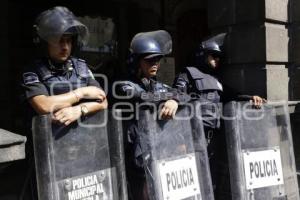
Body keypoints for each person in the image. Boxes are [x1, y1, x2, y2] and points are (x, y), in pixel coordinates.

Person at [20, 6, 107, 199]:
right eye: (59, 41)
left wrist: (80, 110)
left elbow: (102, 101)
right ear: (45, 43)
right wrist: (81, 93)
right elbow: (43, 105)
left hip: (83, 151)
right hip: (49, 154)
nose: (65, 46)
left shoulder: (82, 68)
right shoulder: (33, 70)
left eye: (68, 41)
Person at [173, 33, 266, 199]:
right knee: (195, 180)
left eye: (219, 57)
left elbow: (232, 94)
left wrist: (251, 98)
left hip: (213, 138)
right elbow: (177, 97)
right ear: (202, 55)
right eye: (213, 56)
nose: (217, 60)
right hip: (194, 137)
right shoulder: (187, 74)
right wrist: (182, 141)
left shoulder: (216, 80)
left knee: (213, 177)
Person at [113, 30, 179, 200]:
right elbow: (141, 96)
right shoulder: (123, 83)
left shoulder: (154, 85)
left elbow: (182, 94)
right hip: (134, 151)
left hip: (156, 147)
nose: (155, 64)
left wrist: (174, 101)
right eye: (149, 60)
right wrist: (166, 97)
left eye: (157, 59)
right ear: (136, 62)